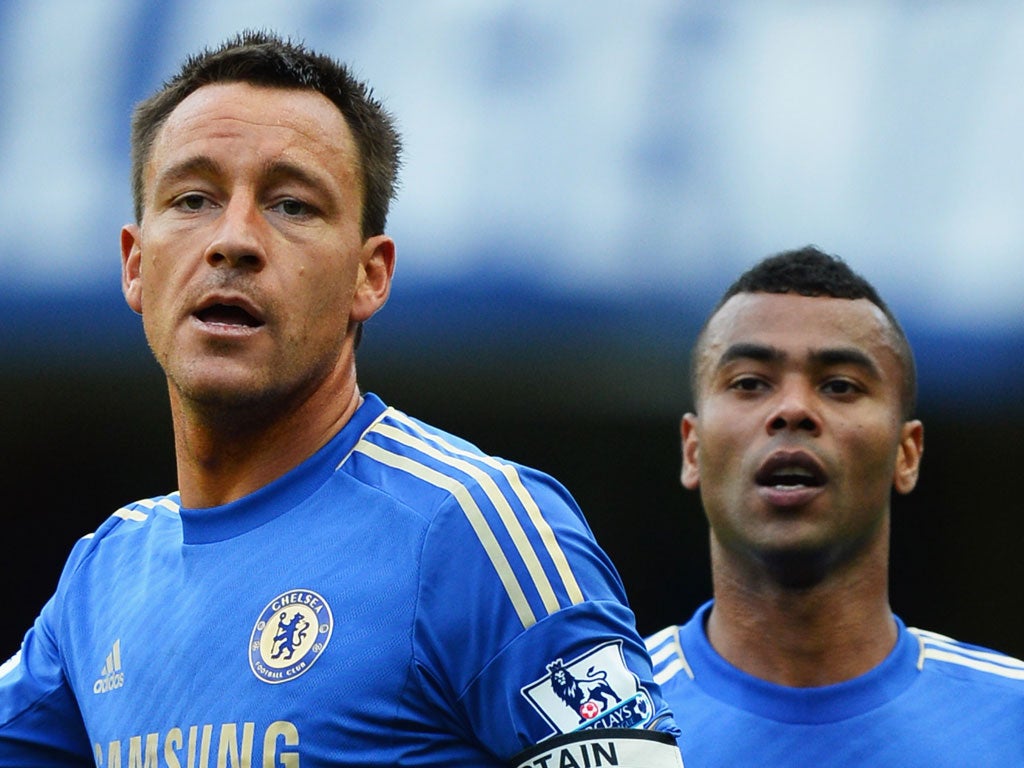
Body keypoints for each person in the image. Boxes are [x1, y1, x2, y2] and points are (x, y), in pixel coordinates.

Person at [0, 30, 684, 768]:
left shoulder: (473, 528)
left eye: (291, 206)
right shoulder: (105, 574)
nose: (234, 240)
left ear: (370, 277)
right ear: (136, 265)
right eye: (193, 198)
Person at [644, 246, 1024, 765]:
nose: (793, 409)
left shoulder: (1010, 720)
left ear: (906, 455)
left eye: (840, 386)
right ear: (692, 449)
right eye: (750, 383)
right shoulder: (600, 724)